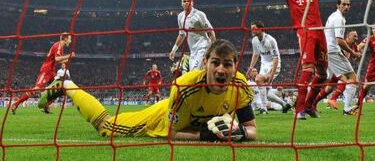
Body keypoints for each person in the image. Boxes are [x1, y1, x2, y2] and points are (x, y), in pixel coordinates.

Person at [39, 39, 257, 141]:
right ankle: (67, 86)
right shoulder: (185, 86)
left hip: (186, 119)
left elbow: (252, 129)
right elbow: (172, 134)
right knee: (106, 127)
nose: (221, 69)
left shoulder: (241, 86)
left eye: (227, 64)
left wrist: (241, 133)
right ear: (205, 63)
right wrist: (205, 135)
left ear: (234, 67)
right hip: (160, 119)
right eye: (215, 63)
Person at [243, 0, 346, 119]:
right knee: (308, 69)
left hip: (320, 32)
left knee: (322, 73)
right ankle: (299, 110)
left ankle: (309, 106)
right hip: (305, 32)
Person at [311, 0, 361, 115]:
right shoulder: (339, 19)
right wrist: (354, 53)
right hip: (333, 51)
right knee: (353, 80)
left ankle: (307, 103)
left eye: (348, 5)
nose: (346, 7)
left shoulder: (333, 16)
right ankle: (347, 109)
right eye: (343, 4)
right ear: (338, 5)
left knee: (325, 78)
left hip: (327, 50)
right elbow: (339, 40)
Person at [11, 33, 74, 114]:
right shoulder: (58, 46)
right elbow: (57, 58)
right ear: (65, 39)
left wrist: (67, 60)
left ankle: (46, 106)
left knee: (59, 89)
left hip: (51, 72)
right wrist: (69, 56)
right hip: (46, 70)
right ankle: (16, 104)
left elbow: (57, 60)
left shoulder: (60, 47)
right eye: (69, 38)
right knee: (36, 89)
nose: (70, 40)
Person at [247, 21, 289, 113]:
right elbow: (255, 54)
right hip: (264, 65)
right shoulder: (254, 40)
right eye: (251, 28)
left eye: (254, 28)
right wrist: (250, 68)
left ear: (261, 29)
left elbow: (276, 58)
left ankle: (264, 109)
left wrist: (271, 74)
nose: (252, 30)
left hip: (274, 65)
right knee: (266, 92)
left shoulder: (270, 40)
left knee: (258, 80)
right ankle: (285, 105)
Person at [169, 0, 216, 71]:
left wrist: (214, 49)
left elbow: (211, 31)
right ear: (181, 3)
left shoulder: (199, 15)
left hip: (203, 47)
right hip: (193, 51)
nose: (186, 3)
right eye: (184, 1)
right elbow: (181, 34)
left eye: (189, 1)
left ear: (192, 3)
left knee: (195, 72)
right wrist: (173, 50)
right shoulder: (180, 16)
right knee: (194, 73)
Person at [326, 30, 360, 109]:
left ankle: (313, 104)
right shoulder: (342, 43)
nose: (356, 38)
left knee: (328, 88)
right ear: (348, 36)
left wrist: (358, 56)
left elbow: (357, 58)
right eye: (354, 36)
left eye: (357, 36)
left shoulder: (354, 46)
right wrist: (354, 53)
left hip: (340, 67)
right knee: (349, 80)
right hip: (335, 65)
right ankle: (338, 102)